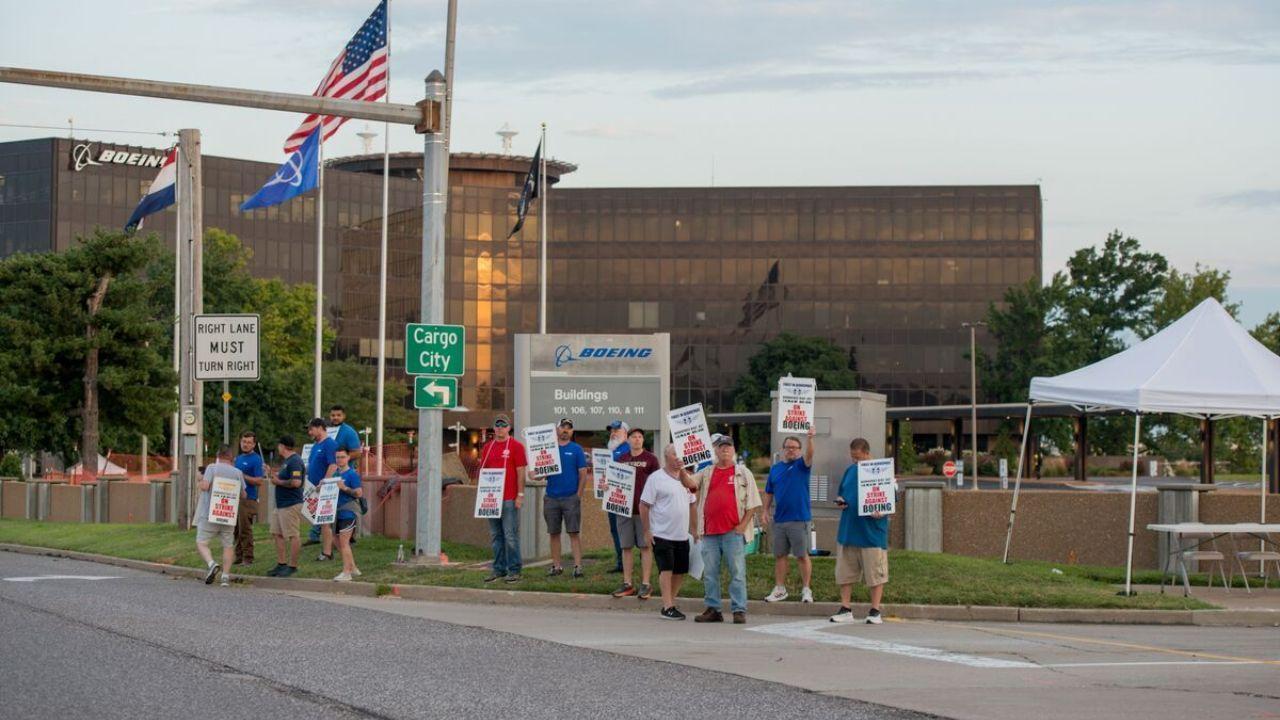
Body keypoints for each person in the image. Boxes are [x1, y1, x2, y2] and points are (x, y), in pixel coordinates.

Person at [692, 434, 761, 624]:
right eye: (721, 447)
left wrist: (742, 526)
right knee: (710, 573)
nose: (725, 450)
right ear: (715, 450)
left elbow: (753, 503)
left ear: (733, 450)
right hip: (710, 532)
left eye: (728, 446)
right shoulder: (707, 472)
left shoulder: (743, 473)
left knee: (737, 572)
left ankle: (739, 610)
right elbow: (690, 484)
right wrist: (682, 469)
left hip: (733, 532)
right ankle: (713, 609)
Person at [830, 437, 890, 625]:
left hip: (872, 533)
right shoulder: (849, 471)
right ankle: (846, 608)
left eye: (858, 457)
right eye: (853, 457)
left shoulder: (882, 471)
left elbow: (890, 498)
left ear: (867, 453)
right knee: (845, 572)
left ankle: (875, 610)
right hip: (849, 530)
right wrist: (841, 500)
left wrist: (883, 510)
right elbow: (843, 492)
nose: (856, 461)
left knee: (875, 573)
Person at [639, 444, 697, 620]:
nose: (678, 458)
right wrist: (647, 530)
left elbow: (692, 502)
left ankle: (670, 602)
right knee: (667, 569)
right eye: (674, 454)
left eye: (680, 454)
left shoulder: (686, 478)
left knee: (680, 570)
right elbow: (644, 505)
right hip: (662, 533)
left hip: (681, 534)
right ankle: (667, 605)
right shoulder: (656, 478)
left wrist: (694, 529)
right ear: (666, 457)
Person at [762, 426, 816, 603]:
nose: (791, 450)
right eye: (788, 447)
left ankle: (806, 589)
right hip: (780, 520)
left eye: (794, 447)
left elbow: (810, 455)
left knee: (801, 555)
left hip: (799, 519)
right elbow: (769, 492)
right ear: (783, 449)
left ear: (799, 450)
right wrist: (765, 510)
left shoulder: (802, 465)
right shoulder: (775, 469)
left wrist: (810, 439)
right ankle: (779, 589)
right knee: (780, 555)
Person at [610, 428, 660, 600]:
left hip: (644, 510)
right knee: (626, 547)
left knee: (645, 546)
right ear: (628, 440)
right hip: (624, 509)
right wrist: (606, 487)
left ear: (643, 440)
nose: (637, 439)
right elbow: (612, 480)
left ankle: (646, 583)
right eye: (634, 437)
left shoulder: (651, 459)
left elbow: (657, 483)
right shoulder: (621, 459)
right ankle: (627, 582)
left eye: (640, 437)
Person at [478, 414, 527, 583]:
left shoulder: (516, 446)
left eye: (503, 425)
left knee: (510, 535)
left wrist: (520, 495)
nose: (500, 428)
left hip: (509, 498)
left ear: (509, 428)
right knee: (495, 535)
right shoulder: (488, 447)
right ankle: (498, 569)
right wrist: (481, 496)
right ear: (494, 428)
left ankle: (514, 570)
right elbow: (483, 471)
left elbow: (521, 471)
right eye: (497, 425)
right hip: (491, 499)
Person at [308, 405, 363, 545]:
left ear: (344, 416)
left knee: (341, 507)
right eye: (333, 415)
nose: (335, 418)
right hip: (326, 475)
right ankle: (316, 536)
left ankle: (348, 536)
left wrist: (343, 459)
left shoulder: (348, 431)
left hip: (343, 475)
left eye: (338, 415)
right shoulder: (329, 431)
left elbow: (357, 451)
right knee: (323, 509)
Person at [194, 445, 246, 588]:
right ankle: (225, 577)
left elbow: (205, 486)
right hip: (228, 515)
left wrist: (199, 481)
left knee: (202, 542)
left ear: (218, 456)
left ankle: (212, 564)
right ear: (231, 457)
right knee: (228, 545)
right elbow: (243, 494)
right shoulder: (238, 472)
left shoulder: (212, 468)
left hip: (210, 513)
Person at [543, 418, 589, 578]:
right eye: (563, 427)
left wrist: (578, 495)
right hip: (551, 497)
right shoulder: (548, 449)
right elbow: (541, 473)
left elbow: (583, 474)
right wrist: (534, 473)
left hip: (571, 498)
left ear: (572, 431)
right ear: (557, 429)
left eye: (569, 428)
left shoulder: (577, 449)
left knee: (574, 533)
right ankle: (556, 566)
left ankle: (578, 566)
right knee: (553, 533)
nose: (565, 430)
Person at [267, 435, 305, 577]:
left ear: (282, 446)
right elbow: (282, 478)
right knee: (277, 533)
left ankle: (292, 565)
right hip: (281, 504)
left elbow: (296, 482)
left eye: (279, 446)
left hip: (291, 504)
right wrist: (274, 476)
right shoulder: (286, 462)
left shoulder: (294, 461)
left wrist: (279, 482)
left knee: (293, 535)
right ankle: (281, 563)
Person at [305, 418, 339, 562]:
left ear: (320, 428)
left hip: (325, 489)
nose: (309, 432)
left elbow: (333, 465)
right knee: (317, 520)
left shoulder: (329, 444)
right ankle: (330, 548)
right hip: (313, 488)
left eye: (311, 429)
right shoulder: (315, 445)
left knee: (325, 522)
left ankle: (327, 552)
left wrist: (323, 482)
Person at [232, 430, 264, 566]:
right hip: (235, 497)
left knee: (245, 529)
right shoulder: (238, 458)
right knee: (236, 529)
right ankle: (238, 556)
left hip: (248, 499)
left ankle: (248, 558)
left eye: (249, 442)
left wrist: (242, 476)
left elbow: (259, 481)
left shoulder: (256, 459)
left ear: (254, 444)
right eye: (244, 442)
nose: (246, 444)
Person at [331, 449, 363, 582]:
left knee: (344, 542)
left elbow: (359, 493)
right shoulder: (335, 474)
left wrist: (344, 488)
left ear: (348, 458)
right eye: (337, 457)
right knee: (336, 540)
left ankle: (346, 572)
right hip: (337, 512)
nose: (339, 460)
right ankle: (353, 567)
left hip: (349, 511)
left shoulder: (352, 474)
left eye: (342, 457)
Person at [604, 419, 630, 573]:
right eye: (612, 431)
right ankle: (621, 563)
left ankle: (626, 563)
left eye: (617, 430)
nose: (613, 433)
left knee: (625, 531)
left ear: (625, 433)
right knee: (615, 530)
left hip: (625, 497)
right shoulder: (611, 450)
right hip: (612, 496)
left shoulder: (627, 449)